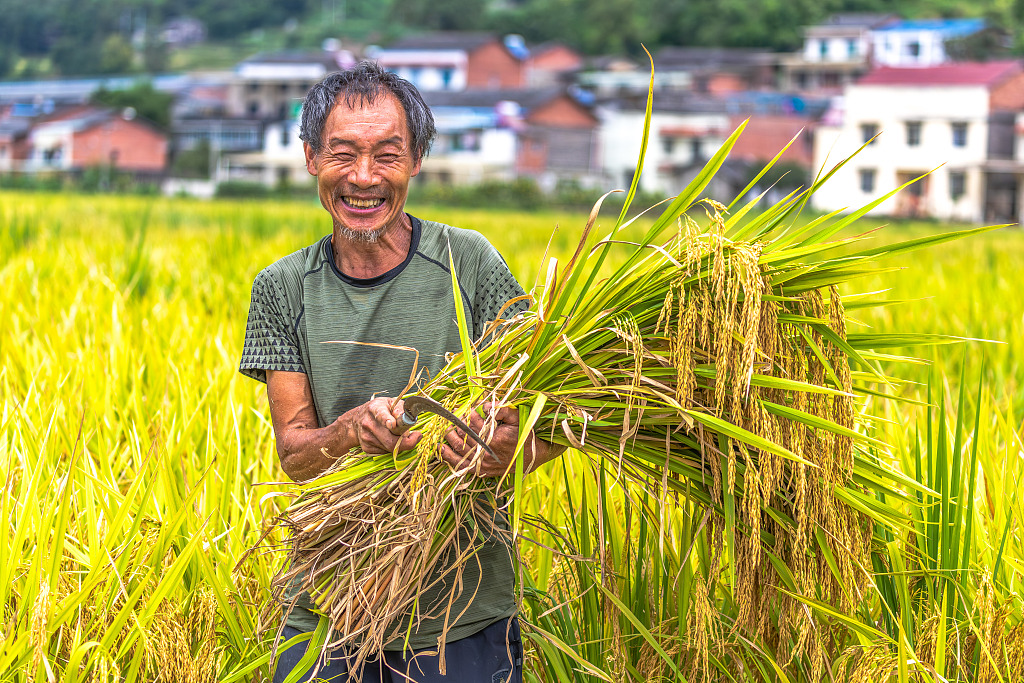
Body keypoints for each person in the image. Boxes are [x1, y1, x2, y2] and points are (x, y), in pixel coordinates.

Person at [239, 61, 562, 682]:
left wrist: (510, 450)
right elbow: (295, 454)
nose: (363, 177)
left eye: (387, 155)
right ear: (311, 158)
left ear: (416, 160)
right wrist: (349, 432)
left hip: (462, 612)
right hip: (328, 609)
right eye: (343, 154)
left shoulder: (470, 262)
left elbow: (557, 411)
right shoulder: (282, 288)